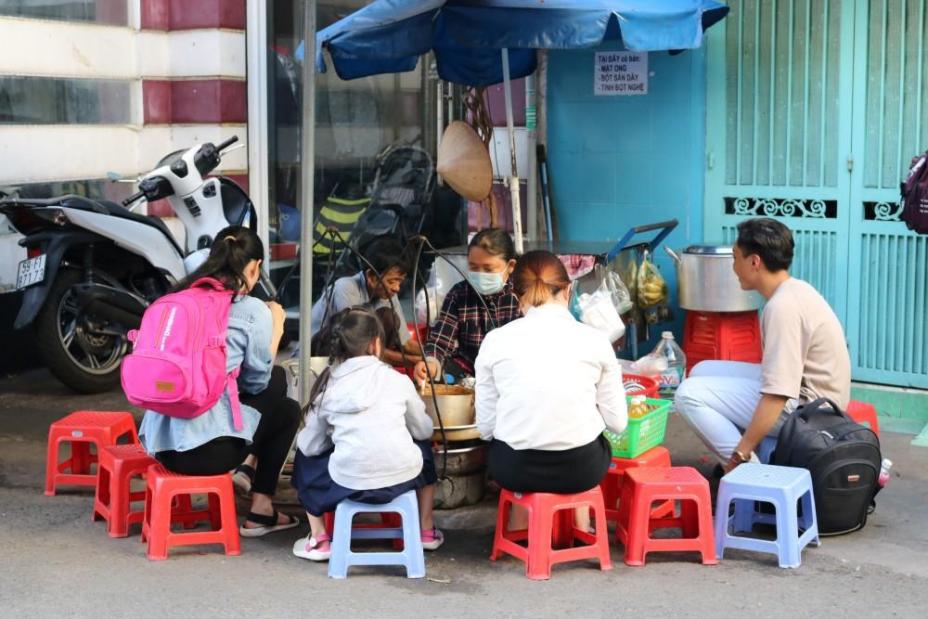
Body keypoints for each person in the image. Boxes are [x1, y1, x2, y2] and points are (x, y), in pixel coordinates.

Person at [138, 226, 302, 537]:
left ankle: (252, 479)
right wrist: (276, 328)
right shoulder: (251, 311)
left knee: (276, 401)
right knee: (284, 399)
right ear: (254, 267)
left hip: (158, 444)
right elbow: (258, 383)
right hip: (208, 455)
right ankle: (260, 507)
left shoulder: (177, 298)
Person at [674, 218, 852, 473]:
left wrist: (740, 452)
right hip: (810, 397)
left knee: (687, 394)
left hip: (810, 413)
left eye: (735, 258)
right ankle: (756, 458)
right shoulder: (795, 290)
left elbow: (777, 394)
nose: (733, 267)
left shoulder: (782, 307)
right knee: (701, 369)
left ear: (755, 262)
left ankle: (751, 475)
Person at [474, 250, 627, 528]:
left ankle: (521, 528)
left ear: (516, 295)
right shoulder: (596, 341)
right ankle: (580, 526)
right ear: (568, 290)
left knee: (504, 443)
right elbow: (618, 423)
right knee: (591, 438)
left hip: (513, 470)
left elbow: (485, 428)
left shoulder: (495, 341)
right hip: (581, 470)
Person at [291, 307, 443, 562]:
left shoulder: (330, 388)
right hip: (401, 480)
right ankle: (425, 529)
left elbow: (310, 445)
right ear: (376, 344)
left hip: (347, 485)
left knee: (305, 455)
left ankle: (319, 538)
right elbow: (423, 429)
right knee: (422, 443)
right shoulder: (397, 380)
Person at [414, 228, 521, 383]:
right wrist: (430, 363)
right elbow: (440, 340)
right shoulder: (459, 294)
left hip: (512, 373)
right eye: (474, 267)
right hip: (467, 371)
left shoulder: (521, 296)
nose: (480, 274)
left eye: (488, 269)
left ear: (510, 266)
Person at [310, 236, 421, 369]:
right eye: (391, 281)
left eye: (400, 281)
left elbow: (406, 343)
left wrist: (432, 356)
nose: (397, 288)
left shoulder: (388, 293)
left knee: (388, 316)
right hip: (319, 357)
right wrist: (415, 362)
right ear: (371, 277)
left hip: (357, 354)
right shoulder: (345, 289)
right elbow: (359, 346)